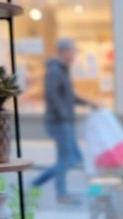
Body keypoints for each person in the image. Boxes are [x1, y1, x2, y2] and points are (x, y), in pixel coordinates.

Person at [31, 38, 95, 205]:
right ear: (64, 52)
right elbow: (51, 95)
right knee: (65, 159)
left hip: (65, 121)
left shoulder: (63, 70)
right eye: (72, 51)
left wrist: (90, 104)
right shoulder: (54, 70)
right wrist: (64, 113)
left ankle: (34, 185)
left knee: (75, 158)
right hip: (59, 122)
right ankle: (61, 194)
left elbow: (69, 97)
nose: (74, 55)